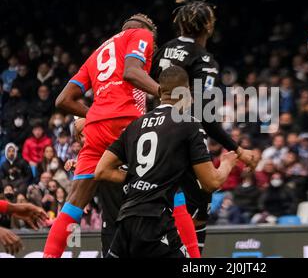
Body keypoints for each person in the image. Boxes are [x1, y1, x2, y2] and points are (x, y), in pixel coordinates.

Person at [43, 13, 159, 258]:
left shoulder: (98, 52)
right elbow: (131, 72)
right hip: (126, 124)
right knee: (168, 177)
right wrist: (167, 93)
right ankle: (193, 256)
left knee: (75, 201)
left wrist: (94, 114)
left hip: (97, 129)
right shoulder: (141, 34)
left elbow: (63, 100)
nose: (152, 49)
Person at [151, 0, 257, 256]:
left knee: (165, 209)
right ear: (208, 26)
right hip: (185, 138)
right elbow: (203, 114)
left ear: (180, 23)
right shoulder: (204, 60)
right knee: (198, 211)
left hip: (152, 131)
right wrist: (238, 149)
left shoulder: (161, 50)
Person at [94, 65, 237, 258]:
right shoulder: (188, 124)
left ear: (160, 91)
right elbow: (211, 182)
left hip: (126, 219)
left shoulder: (135, 125)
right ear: (186, 93)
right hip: (155, 221)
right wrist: (227, 162)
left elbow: (101, 170)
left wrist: (137, 179)